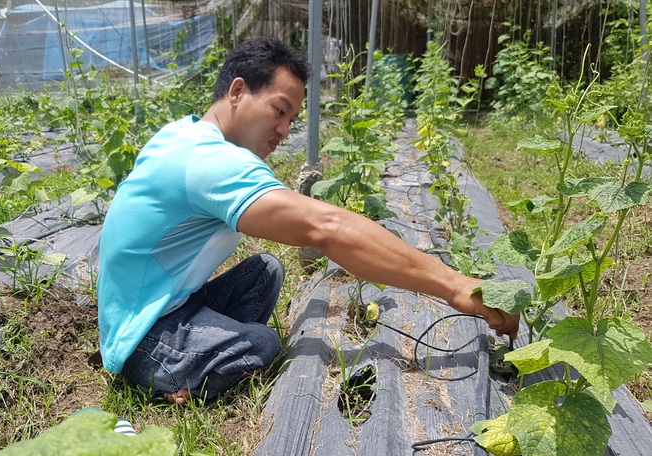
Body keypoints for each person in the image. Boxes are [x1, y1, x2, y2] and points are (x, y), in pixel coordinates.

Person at [96, 36, 519, 405]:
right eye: (279, 111)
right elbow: (327, 228)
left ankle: (203, 347)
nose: (283, 130)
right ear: (238, 91)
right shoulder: (209, 162)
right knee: (263, 344)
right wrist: (457, 287)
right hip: (142, 336)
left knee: (265, 270)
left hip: (163, 301)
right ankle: (172, 375)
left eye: (291, 120)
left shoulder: (184, 134)